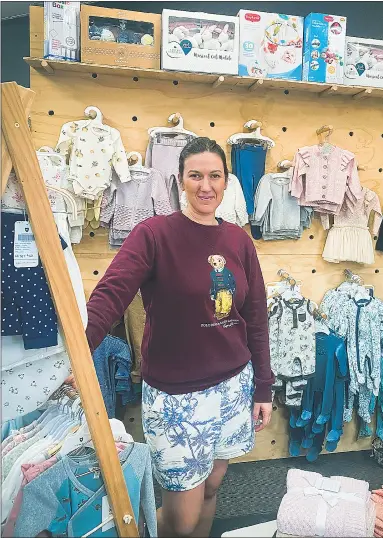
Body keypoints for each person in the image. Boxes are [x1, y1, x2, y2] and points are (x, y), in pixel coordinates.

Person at [83, 137, 274, 537]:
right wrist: (82, 349)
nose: (206, 186)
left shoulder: (239, 240)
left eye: (215, 176)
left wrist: (263, 388)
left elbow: (255, 317)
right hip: (176, 397)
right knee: (182, 519)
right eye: (196, 176)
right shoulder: (154, 233)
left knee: (212, 490)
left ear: (226, 182)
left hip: (233, 387)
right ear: (180, 181)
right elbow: (112, 291)